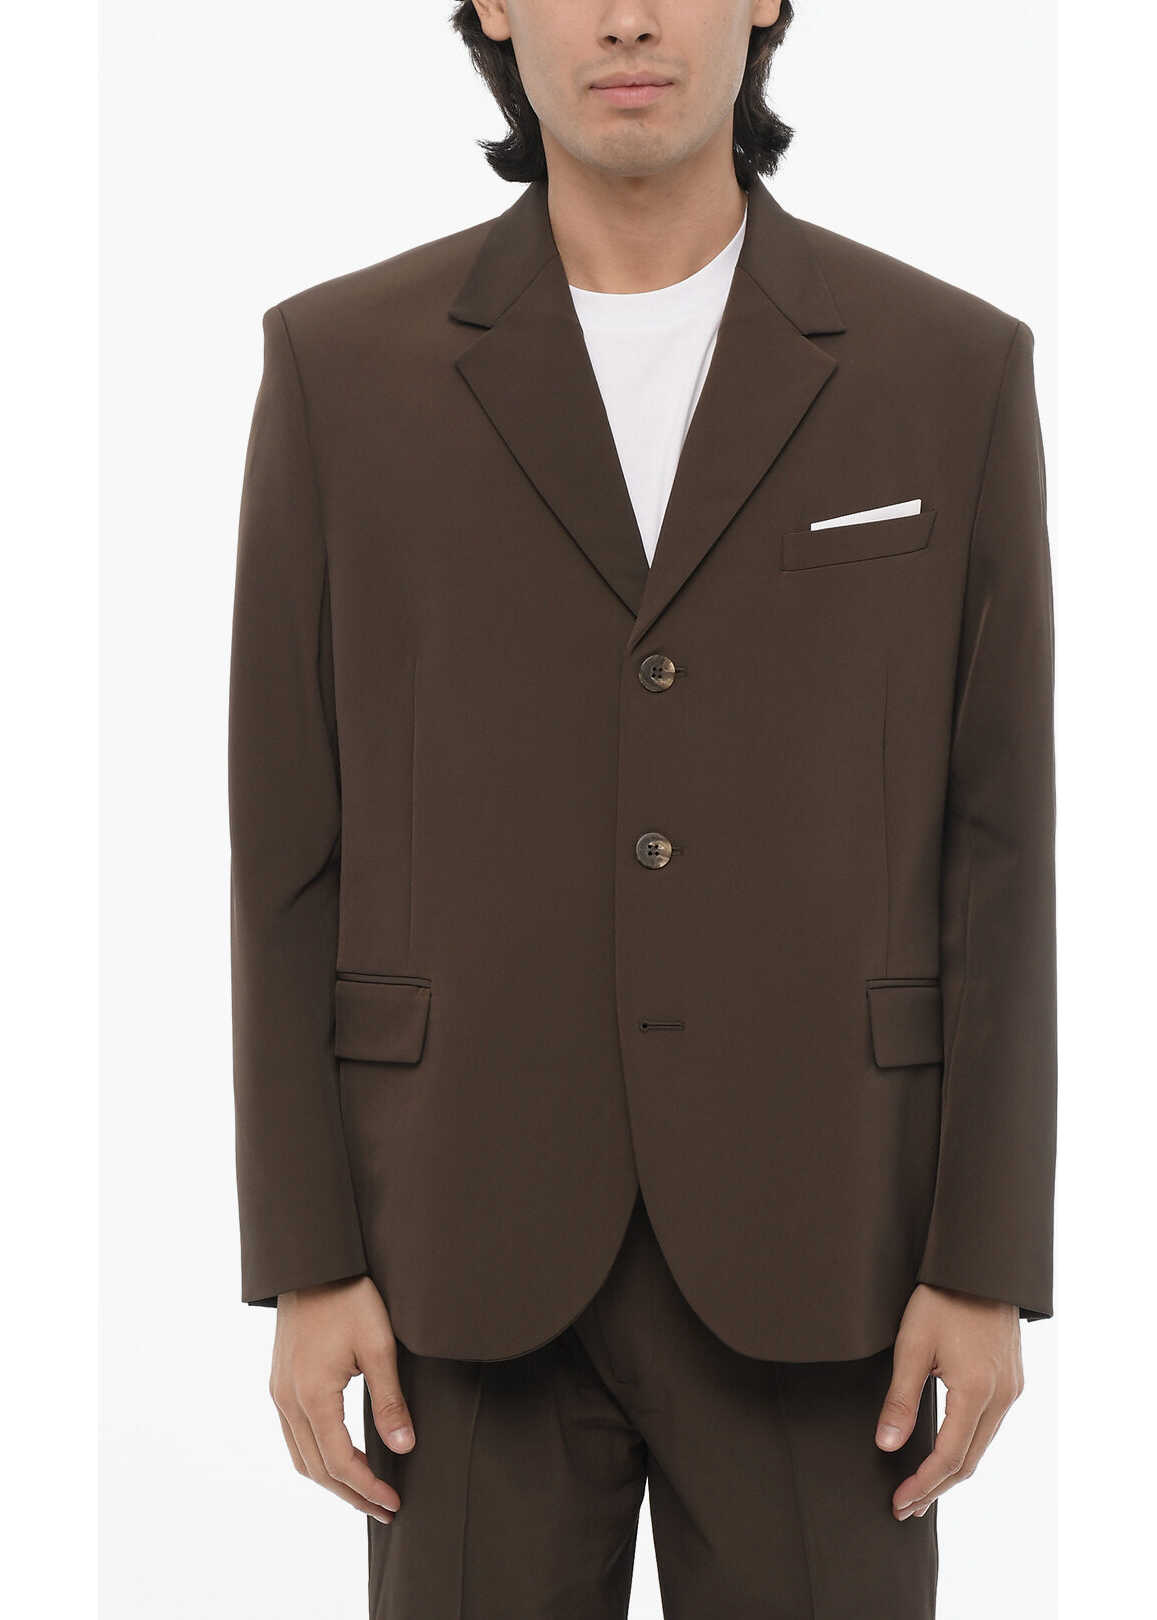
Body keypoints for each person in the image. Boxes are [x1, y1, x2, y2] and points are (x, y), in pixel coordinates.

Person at [227, 3, 1056, 1614]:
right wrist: (307, 1257)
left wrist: (982, 1262)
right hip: (455, 1254)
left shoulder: (947, 368)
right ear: (489, 5)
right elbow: (286, 842)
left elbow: (1000, 844)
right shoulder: (340, 367)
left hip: (836, 1252)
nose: (626, 16)